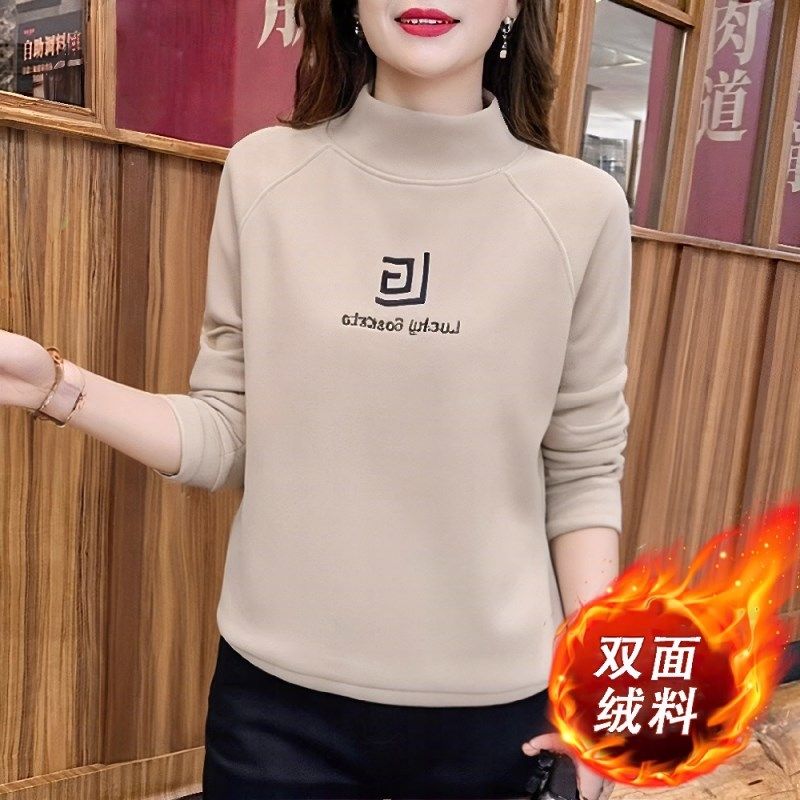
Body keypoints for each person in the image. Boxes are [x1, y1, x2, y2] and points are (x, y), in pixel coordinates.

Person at [2, 1, 631, 798]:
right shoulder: (265, 174)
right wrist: (52, 386)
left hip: (500, 717)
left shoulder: (581, 208)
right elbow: (229, 431)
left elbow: (583, 470)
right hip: (278, 716)